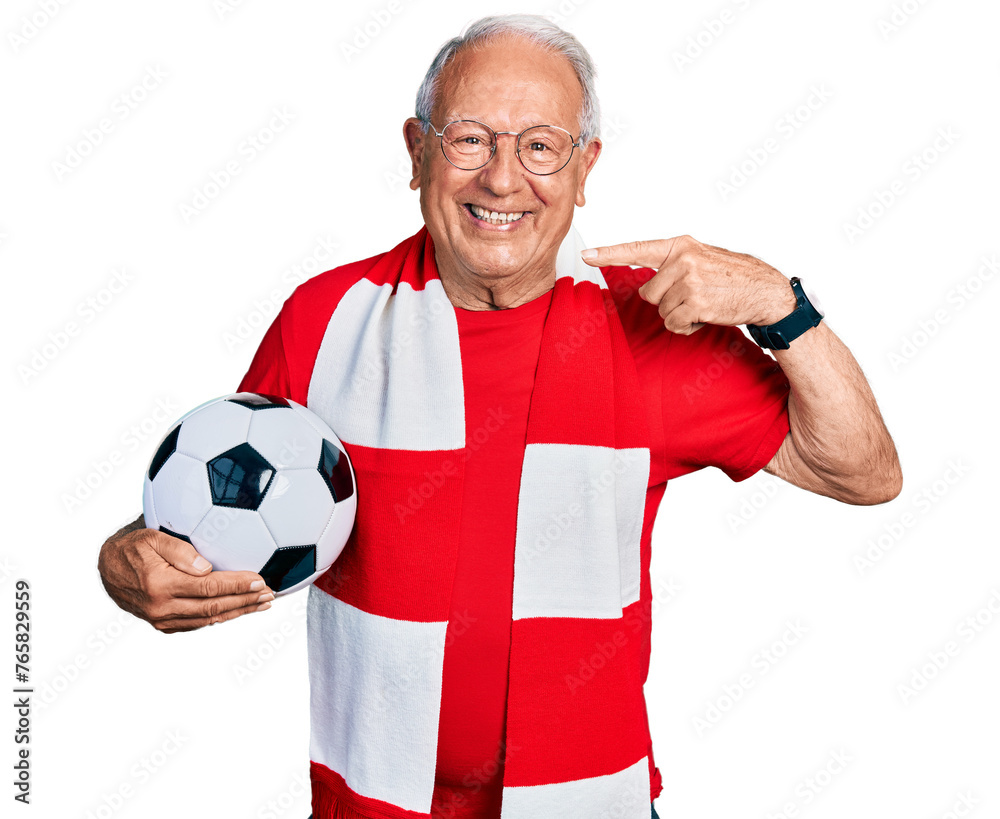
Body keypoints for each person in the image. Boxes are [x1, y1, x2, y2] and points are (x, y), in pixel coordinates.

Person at [98, 14, 902, 819]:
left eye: (542, 146)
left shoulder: (651, 326)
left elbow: (865, 472)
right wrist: (125, 558)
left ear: (585, 169)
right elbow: (220, 510)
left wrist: (778, 305)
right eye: (471, 140)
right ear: (417, 152)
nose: (504, 179)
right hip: (370, 805)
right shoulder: (325, 319)